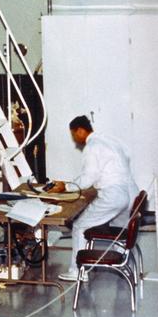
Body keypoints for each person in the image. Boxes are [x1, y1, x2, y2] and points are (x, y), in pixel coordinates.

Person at [55, 115, 138, 281]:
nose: (74, 139)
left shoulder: (92, 146)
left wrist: (66, 186)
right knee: (117, 225)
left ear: (80, 130)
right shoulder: (108, 141)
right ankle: (121, 260)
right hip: (129, 194)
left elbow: (88, 178)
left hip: (113, 195)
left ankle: (77, 271)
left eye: (73, 134)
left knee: (79, 226)